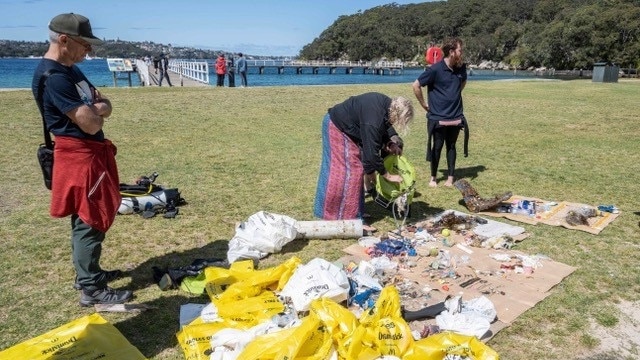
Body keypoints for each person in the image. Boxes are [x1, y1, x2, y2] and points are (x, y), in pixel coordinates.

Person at [31, 13, 133, 306]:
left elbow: (106, 105)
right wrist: (95, 108)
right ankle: (91, 288)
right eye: (84, 45)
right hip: (79, 157)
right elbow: (92, 123)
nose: (89, 51)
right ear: (64, 40)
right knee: (90, 219)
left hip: (89, 154)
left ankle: (89, 273)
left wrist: (96, 107)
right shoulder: (54, 77)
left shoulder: (70, 70)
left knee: (91, 217)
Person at [313, 92, 414, 228]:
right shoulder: (374, 119)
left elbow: (383, 127)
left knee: (355, 170)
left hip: (346, 127)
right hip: (337, 127)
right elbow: (371, 154)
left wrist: (390, 143)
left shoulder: (386, 105)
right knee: (349, 171)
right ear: (396, 114)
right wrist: (388, 175)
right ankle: (349, 219)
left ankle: (355, 212)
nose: (397, 123)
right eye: (399, 120)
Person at [412, 37, 469, 188]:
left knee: (451, 146)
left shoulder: (461, 68)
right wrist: (424, 105)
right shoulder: (434, 70)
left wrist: (455, 95)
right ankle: (433, 178)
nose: (461, 53)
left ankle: (450, 178)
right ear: (451, 52)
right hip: (438, 117)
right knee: (437, 147)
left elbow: (463, 82)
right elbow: (416, 85)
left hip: (455, 115)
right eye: (459, 50)